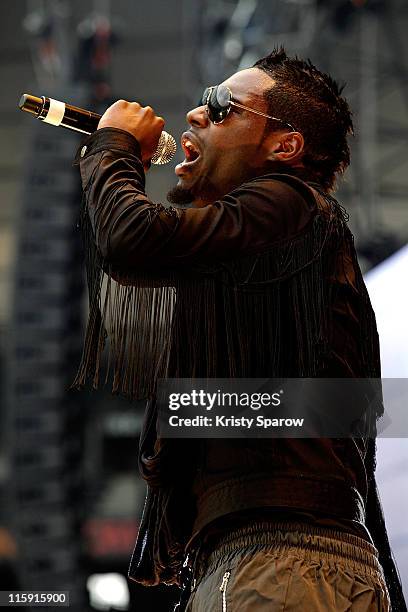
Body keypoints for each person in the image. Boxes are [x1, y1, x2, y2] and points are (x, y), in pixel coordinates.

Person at [73, 49, 405, 611]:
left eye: (222, 108)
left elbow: (131, 239)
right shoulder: (258, 251)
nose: (196, 116)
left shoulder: (293, 203)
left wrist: (114, 147)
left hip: (285, 564)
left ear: (285, 146)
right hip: (255, 562)